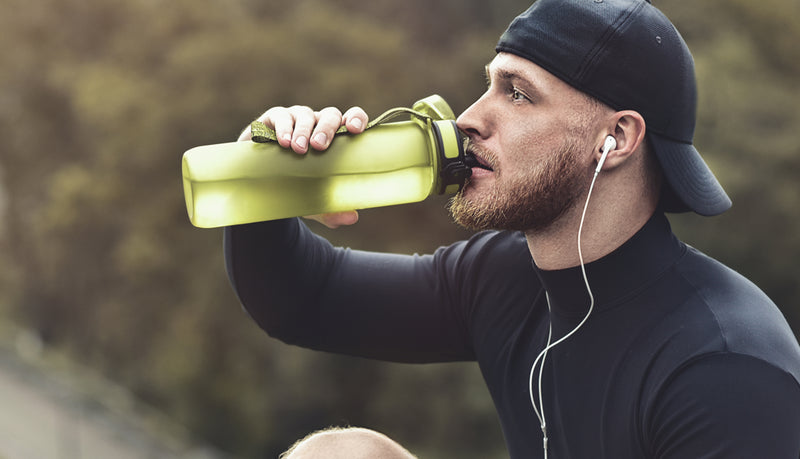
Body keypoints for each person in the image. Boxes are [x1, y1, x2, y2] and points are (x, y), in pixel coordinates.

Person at [224, 0, 800, 457]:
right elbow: (303, 299)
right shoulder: (504, 276)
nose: (470, 118)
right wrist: (271, 175)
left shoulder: (724, 371)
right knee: (343, 456)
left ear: (617, 138)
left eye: (518, 94)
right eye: (490, 83)